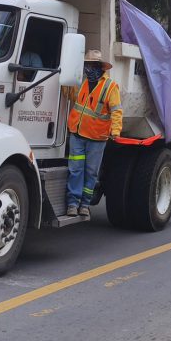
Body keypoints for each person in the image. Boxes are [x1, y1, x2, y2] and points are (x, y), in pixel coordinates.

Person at [61, 49, 122, 218]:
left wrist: (116, 130)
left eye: (92, 65)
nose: (89, 68)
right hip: (77, 134)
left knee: (90, 172)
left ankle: (85, 204)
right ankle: (73, 203)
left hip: (97, 138)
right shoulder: (81, 83)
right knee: (75, 170)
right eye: (87, 64)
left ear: (100, 67)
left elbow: (117, 111)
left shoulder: (110, 87)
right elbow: (69, 94)